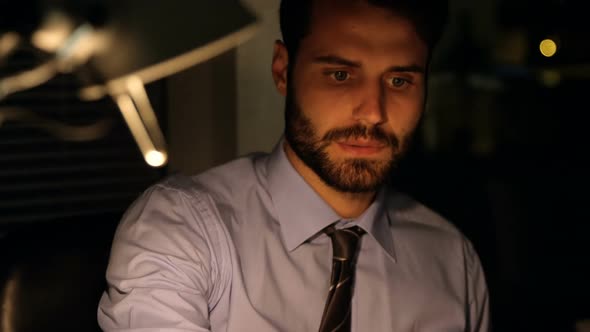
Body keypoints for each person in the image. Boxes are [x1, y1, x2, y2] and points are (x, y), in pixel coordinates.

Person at [98, 0, 490, 331]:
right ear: (283, 70)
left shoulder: (452, 259)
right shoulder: (183, 228)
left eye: (400, 82)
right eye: (340, 75)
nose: (373, 113)